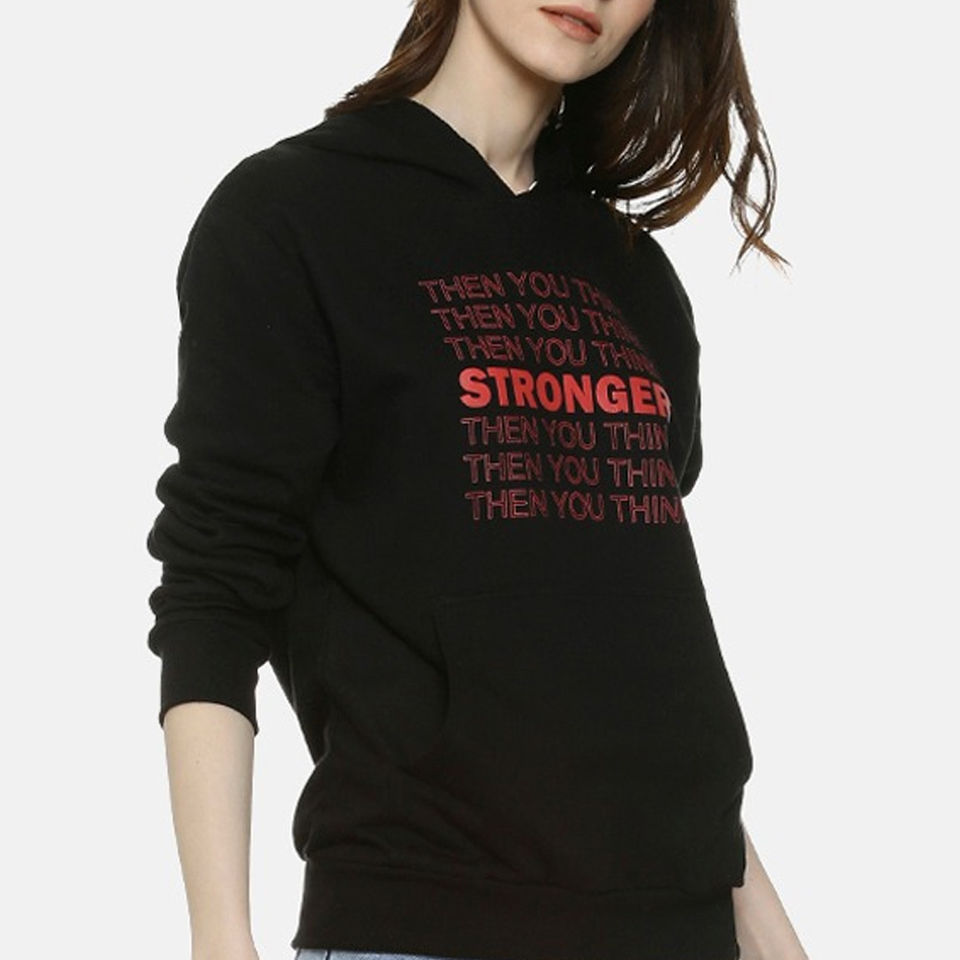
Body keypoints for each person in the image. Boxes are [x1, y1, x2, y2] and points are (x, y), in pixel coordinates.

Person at [145, 2, 809, 960]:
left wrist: (779, 944)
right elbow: (215, 587)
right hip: (424, 919)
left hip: (683, 929)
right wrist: (220, 937)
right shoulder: (294, 217)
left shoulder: (635, 280)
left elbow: (626, 673)